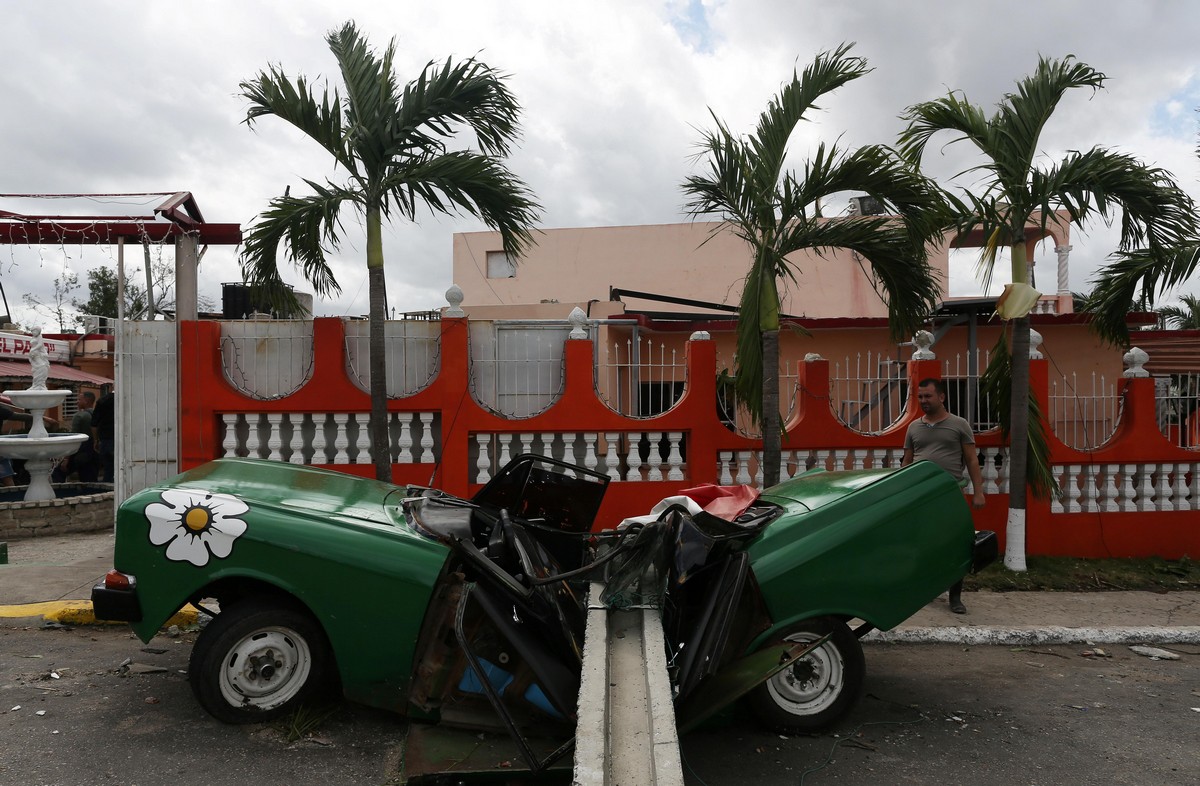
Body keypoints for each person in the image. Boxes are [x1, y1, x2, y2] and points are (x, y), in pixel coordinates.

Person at [901, 378, 985, 614]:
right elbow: (906, 462)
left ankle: (955, 596)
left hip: (950, 494)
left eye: (928, 396)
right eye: (920, 397)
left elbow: (971, 460)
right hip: (920, 495)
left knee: (955, 545)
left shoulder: (959, 425)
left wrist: (978, 492)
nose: (923, 401)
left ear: (941, 397)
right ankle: (924, 590)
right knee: (922, 543)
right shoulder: (913, 427)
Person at [91, 386, 116, 484]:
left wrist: (96, 440)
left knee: (108, 468)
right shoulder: (129, 398)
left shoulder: (102, 401)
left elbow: (93, 424)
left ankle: (108, 492)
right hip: (124, 440)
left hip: (106, 439)